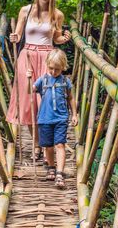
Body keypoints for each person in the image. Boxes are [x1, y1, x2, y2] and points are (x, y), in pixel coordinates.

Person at [7, 0, 71, 160]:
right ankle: (36, 143)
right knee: (29, 102)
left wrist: (63, 39)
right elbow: (18, 35)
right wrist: (14, 37)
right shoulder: (25, 11)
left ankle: (45, 144)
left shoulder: (57, 15)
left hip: (47, 58)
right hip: (26, 57)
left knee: (44, 102)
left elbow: (56, 38)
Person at [30, 49, 78, 189]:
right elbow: (30, 89)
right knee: (48, 146)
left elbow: (70, 97)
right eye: (51, 68)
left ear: (63, 67)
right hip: (44, 118)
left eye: (57, 69)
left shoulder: (65, 82)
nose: (53, 72)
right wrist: (29, 78)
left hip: (61, 118)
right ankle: (51, 166)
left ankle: (59, 173)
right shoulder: (43, 79)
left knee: (60, 145)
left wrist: (74, 114)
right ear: (47, 65)